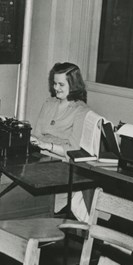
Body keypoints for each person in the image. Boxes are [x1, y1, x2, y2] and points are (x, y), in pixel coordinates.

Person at [30, 62, 92, 221]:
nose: (56, 87)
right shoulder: (49, 103)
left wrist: (48, 146)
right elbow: (36, 134)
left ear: (74, 84)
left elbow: (74, 148)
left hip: (62, 166)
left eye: (61, 84)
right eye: (54, 83)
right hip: (40, 160)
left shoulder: (81, 110)